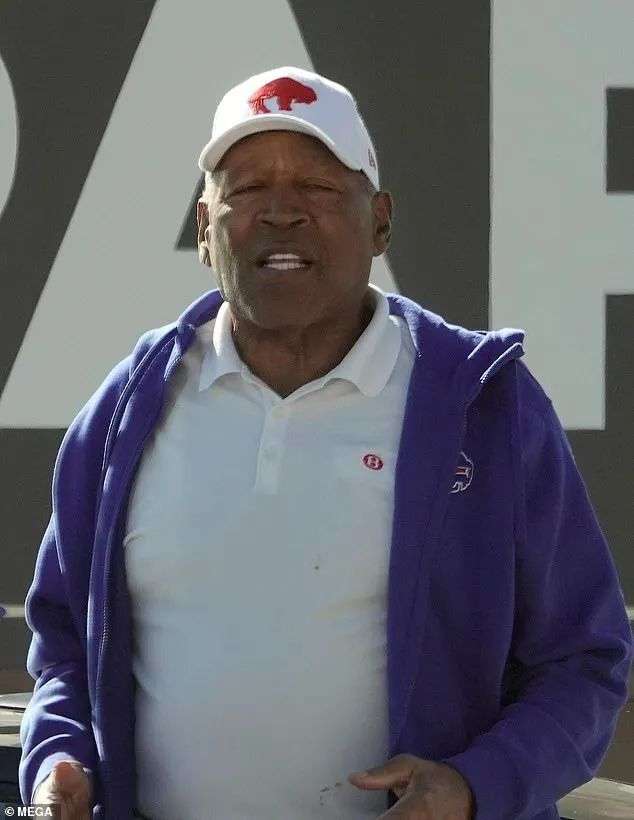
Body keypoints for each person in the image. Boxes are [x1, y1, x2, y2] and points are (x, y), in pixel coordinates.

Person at [18, 65, 632, 820]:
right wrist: (58, 759)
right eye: (248, 189)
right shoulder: (129, 405)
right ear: (205, 228)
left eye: (316, 186)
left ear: (380, 222)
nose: (281, 212)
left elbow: (584, 661)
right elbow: (64, 644)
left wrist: (474, 787)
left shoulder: (483, 406)